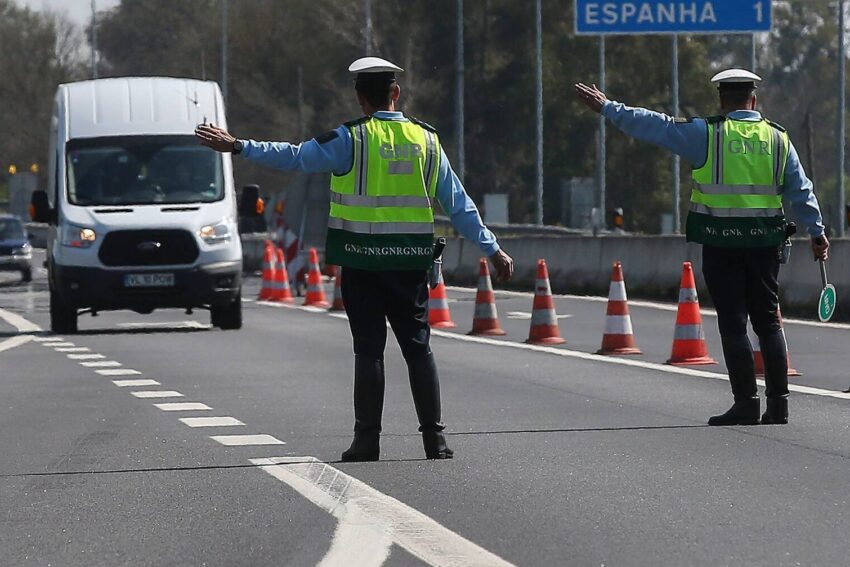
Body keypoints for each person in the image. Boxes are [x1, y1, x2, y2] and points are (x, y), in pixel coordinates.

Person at [197, 56, 513, 460]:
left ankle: (367, 441)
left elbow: (295, 156)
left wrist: (238, 146)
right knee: (419, 349)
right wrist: (492, 249)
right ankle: (435, 440)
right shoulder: (427, 140)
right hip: (409, 264)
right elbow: (458, 204)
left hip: (362, 264)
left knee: (368, 351)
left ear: (360, 98)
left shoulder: (350, 139)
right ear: (396, 93)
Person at [574, 69, 829, 426]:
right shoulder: (778, 138)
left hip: (721, 242)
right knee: (769, 322)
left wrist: (608, 108)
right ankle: (779, 406)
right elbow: (802, 190)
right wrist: (817, 233)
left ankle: (746, 403)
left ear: (722, 101)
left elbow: (656, 125)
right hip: (764, 245)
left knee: (734, 324)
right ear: (754, 100)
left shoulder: (707, 133)